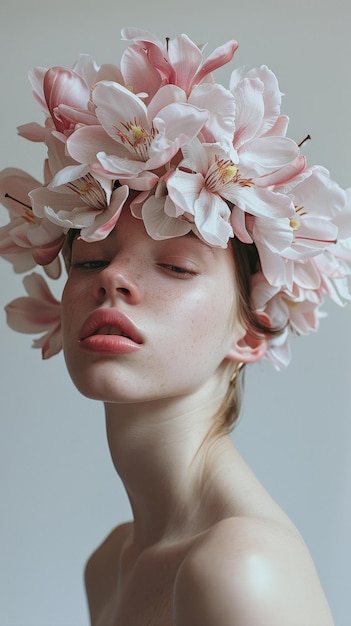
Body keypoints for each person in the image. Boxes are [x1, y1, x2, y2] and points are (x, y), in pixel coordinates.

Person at [0, 27, 350, 626]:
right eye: (89, 260)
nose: (112, 281)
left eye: (175, 265)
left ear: (250, 331)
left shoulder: (240, 568)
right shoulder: (110, 561)